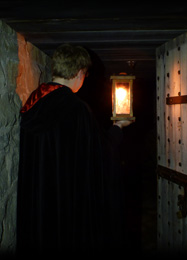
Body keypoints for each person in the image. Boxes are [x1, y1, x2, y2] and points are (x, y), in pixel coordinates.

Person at [16, 43, 132, 255]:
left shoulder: (33, 103)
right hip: (67, 204)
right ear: (79, 73)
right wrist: (117, 128)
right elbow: (100, 154)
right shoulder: (77, 109)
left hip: (39, 200)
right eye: (85, 75)